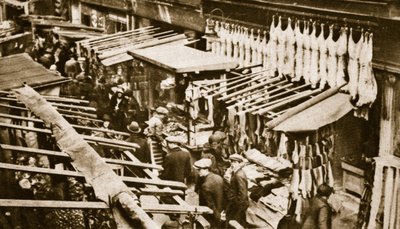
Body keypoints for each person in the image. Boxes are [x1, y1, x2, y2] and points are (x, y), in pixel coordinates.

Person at [193, 158, 224, 228]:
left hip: (211, 215)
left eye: (199, 170)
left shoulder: (205, 186)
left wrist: (218, 216)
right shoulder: (219, 178)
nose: (198, 172)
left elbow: (210, 204)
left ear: (206, 169)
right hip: (221, 211)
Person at [223, 154, 249, 227]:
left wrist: (237, 205)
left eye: (234, 162)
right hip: (236, 203)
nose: (232, 164)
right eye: (231, 162)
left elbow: (243, 194)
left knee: (236, 222)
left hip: (238, 205)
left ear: (238, 163)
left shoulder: (239, 175)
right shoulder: (236, 172)